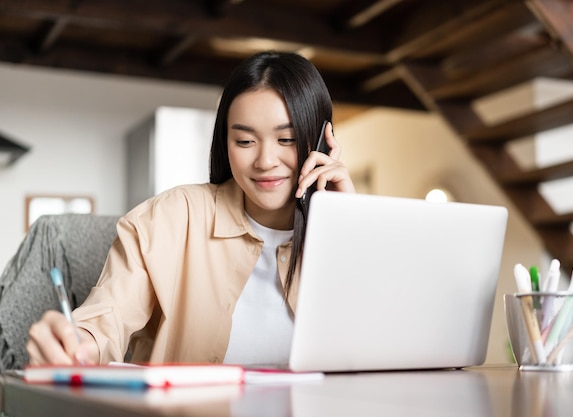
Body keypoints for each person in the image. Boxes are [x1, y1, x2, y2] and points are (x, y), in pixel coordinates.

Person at [26, 50, 356, 367]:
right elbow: (107, 317)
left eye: (287, 139)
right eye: (244, 141)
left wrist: (347, 227)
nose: (266, 161)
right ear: (224, 142)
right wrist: (74, 342)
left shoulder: (352, 230)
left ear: (322, 141)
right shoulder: (170, 217)